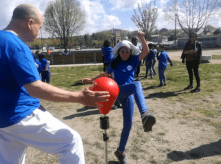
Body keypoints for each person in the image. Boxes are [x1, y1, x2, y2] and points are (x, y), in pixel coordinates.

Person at [0, 4, 110, 164]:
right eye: (39, 27)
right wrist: (79, 97)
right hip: (20, 114)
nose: (39, 32)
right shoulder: (16, 46)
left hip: (3, 120)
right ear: (30, 23)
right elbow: (35, 88)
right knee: (71, 143)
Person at [82, 31, 156, 164]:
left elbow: (145, 51)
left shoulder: (134, 60)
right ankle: (145, 113)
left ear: (130, 52)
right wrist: (90, 80)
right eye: (122, 51)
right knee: (137, 84)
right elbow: (104, 74)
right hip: (118, 91)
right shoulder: (114, 63)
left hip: (127, 95)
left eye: (127, 51)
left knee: (128, 124)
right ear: (118, 52)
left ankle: (120, 151)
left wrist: (142, 38)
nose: (125, 54)